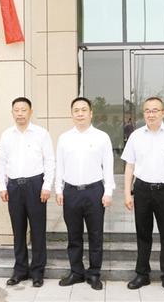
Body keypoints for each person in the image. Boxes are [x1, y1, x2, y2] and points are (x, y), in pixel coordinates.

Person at [121, 97, 164, 295]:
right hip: (142, 189)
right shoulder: (135, 136)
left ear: (163, 113)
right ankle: (142, 274)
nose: (151, 114)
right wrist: (127, 193)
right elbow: (129, 166)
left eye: (155, 110)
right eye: (147, 111)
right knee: (143, 234)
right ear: (144, 113)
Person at [55, 97, 115, 291]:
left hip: (94, 192)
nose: (80, 113)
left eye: (83, 110)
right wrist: (58, 189)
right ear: (71, 114)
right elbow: (59, 165)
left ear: (91, 113)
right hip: (71, 192)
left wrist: (108, 191)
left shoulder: (102, 137)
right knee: (74, 235)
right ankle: (76, 272)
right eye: (76, 110)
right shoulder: (64, 138)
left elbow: (108, 166)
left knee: (96, 235)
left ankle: (94, 273)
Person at [0, 97, 55, 288]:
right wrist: (2, 186)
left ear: (30, 112)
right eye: (16, 110)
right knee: (18, 230)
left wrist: (47, 186)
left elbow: (49, 161)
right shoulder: (7, 135)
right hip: (14, 186)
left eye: (24, 110)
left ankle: (37, 271)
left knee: (38, 230)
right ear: (12, 113)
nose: (20, 113)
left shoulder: (41, 133)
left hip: (35, 185)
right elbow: (1, 162)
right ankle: (20, 270)